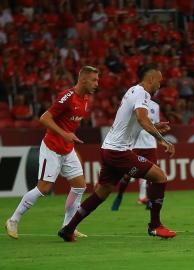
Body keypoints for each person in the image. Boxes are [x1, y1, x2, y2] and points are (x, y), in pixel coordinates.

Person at [58, 64, 176, 242]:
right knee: (160, 177)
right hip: (119, 151)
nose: (160, 84)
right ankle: (155, 226)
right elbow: (142, 119)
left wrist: (155, 126)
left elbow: (135, 121)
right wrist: (163, 140)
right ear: (151, 79)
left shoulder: (133, 91)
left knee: (102, 192)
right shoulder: (142, 93)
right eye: (159, 81)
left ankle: (68, 229)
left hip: (109, 149)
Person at [5, 66, 99, 239]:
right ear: (83, 79)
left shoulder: (85, 99)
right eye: (94, 80)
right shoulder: (67, 97)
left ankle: (68, 227)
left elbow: (68, 125)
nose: (96, 84)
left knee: (79, 186)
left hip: (67, 149)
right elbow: (44, 118)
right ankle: (13, 219)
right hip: (52, 148)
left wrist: (70, 139)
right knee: (44, 188)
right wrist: (64, 134)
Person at [111, 99, 163, 211]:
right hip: (135, 144)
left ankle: (150, 200)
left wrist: (160, 132)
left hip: (150, 145)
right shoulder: (135, 104)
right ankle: (119, 196)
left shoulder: (155, 106)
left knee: (153, 174)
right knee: (127, 175)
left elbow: (156, 125)